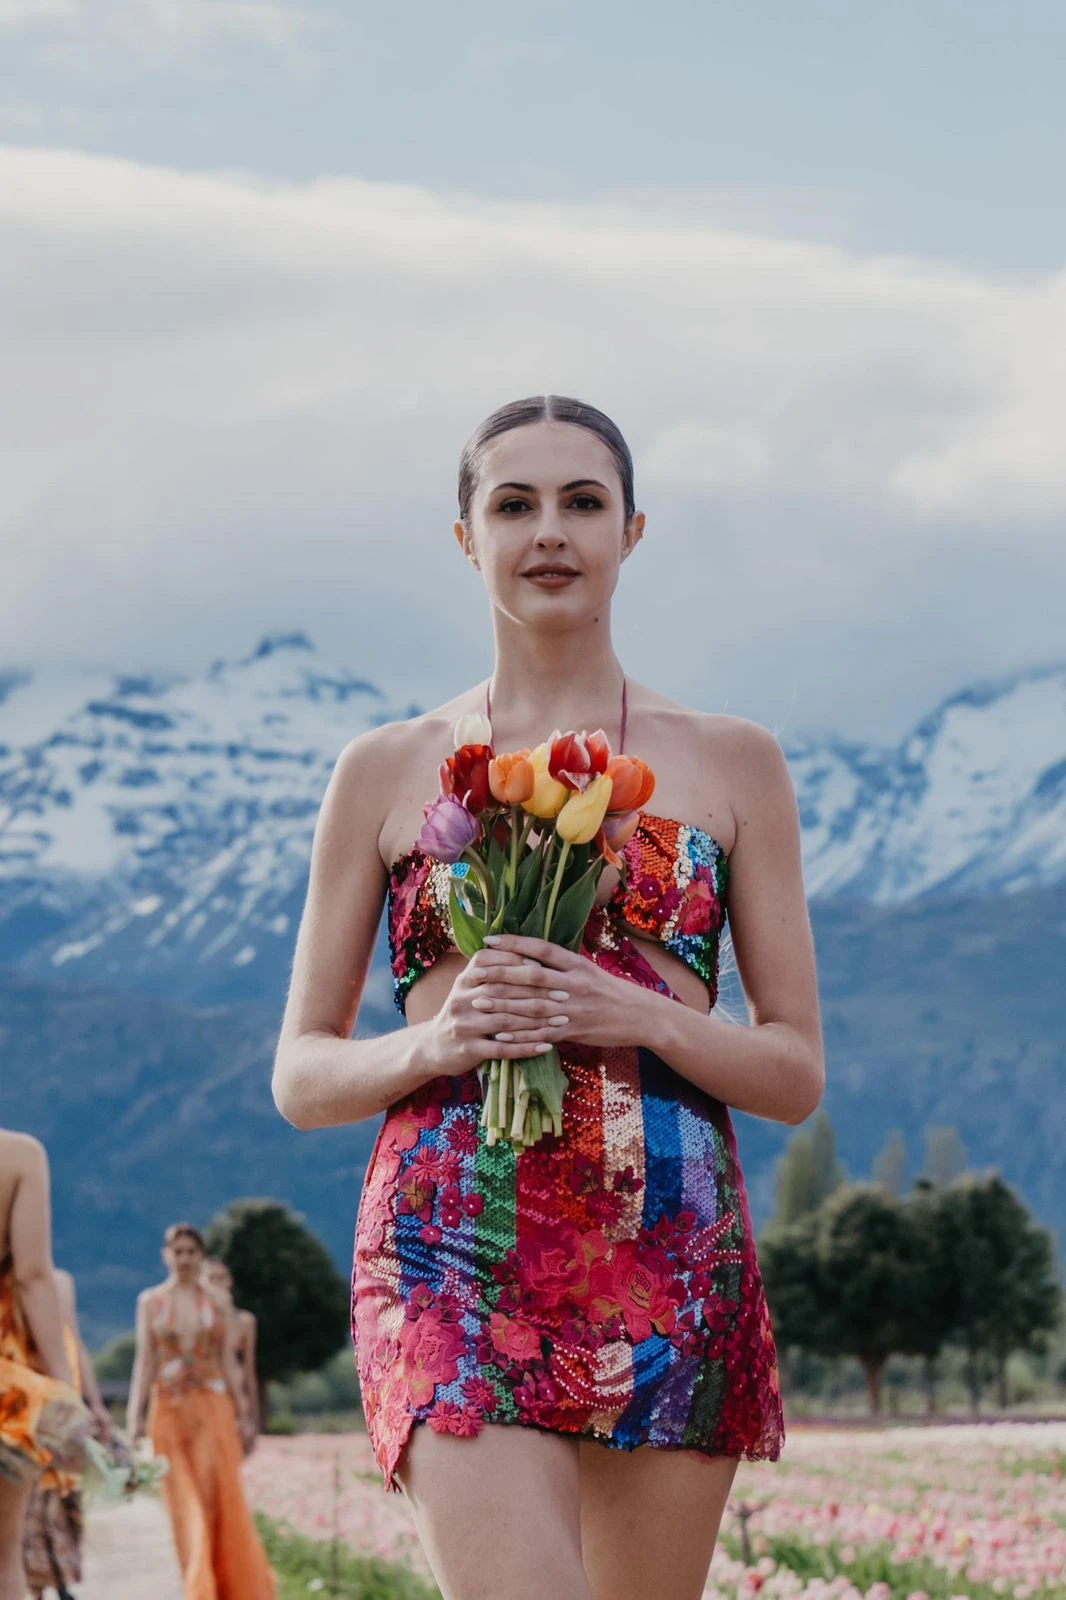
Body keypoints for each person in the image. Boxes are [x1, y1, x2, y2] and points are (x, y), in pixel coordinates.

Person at [273, 395, 824, 1600]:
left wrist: (647, 1016)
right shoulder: (384, 767)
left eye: (582, 501)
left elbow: (793, 1070)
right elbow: (303, 1074)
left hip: (666, 1252)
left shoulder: (734, 762)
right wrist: (437, 1039)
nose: (550, 532)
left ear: (632, 530)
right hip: (446, 1246)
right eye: (512, 504)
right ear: (466, 537)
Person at [126, 1222, 275, 1599]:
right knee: (182, 1502)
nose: (185, 1259)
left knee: (217, 1498)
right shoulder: (150, 1303)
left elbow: (229, 1363)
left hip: (213, 1408)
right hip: (168, 1411)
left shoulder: (218, 1303)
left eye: (192, 1251)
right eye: (178, 1251)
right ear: (166, 1256)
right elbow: (144, 1362)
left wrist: (244, 1414)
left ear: (201, 1256)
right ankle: (198, 1588)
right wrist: (134, 1419)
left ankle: (227, 1587)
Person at [0, 1131, 88, 1600]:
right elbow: (34, 1278)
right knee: (3, 1557)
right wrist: (62, 1384)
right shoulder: (19, 1157)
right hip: (7, 1389)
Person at [22, 1266, 112, 1600]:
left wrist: (94, 1402)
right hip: (22, 1402)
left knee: (60, 1495)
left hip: (58, 1399)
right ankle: (36, 1586)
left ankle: (57, 1580)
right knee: (26, 1499)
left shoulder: (60, 1282)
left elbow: (72, 1339)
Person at [201, 1257, 261, 1444]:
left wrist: (253, 1416)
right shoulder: (198, 1322)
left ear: (230, 1280)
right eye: (212, 1278)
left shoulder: (245, 1322)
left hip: (233, 1393)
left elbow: (249, 1370)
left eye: (222, 1277)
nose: (218, 1283)